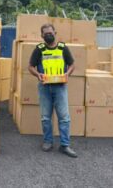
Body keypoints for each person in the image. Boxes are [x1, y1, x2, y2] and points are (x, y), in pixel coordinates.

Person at [28, 23, 77, 158]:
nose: (48, 35)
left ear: (55, 33)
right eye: (46, 33)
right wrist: (37, 74)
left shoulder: (62, 48)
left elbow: (72, 64)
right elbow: (30, 66)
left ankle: (65, 145)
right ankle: (48, 141)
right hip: (44, 87)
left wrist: (68, 74)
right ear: (42, 36)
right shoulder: (39, 49)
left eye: (50, 33)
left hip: (60, 87)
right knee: (45, 117)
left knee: (64, 117)